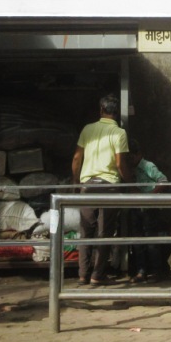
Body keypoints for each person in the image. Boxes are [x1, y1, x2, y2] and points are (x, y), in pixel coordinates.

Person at [71, 94, 133, 286]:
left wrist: (76, 182)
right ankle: (97, 276)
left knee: (86, 230)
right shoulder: (120, 133)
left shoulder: (87, 129)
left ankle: (82, 274)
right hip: (109, 186)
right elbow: (120, 163)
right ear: (117, 114)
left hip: (87, 185)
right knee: (104, 232)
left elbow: (76, 159)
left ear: (101, 110)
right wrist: (130, 182)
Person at [125, 139, 169, 283]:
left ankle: (157, 271)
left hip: (150, 208)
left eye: (132, 156)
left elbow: (163, 180)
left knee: (151, 241)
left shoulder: (147, 166)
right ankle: (141, 271)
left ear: (138, 154)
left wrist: (150, 197)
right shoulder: (129, 169)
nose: (130, 160)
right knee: (137, 240)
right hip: (136, 207)